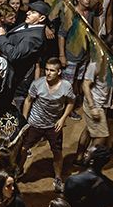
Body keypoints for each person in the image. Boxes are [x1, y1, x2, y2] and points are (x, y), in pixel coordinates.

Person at [19, 58, 76, 192]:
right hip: (35, 122)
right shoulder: (37, 84)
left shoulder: (66, 86)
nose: (48, 73)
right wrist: (24, 120)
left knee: (57, 152)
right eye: (47, 70)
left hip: (53, 125)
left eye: (52, 70)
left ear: (59, 72)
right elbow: (28, 100)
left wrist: (62, 119)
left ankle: (57, 178)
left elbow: (71, 102)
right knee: (23, 148)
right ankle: (19, 170)